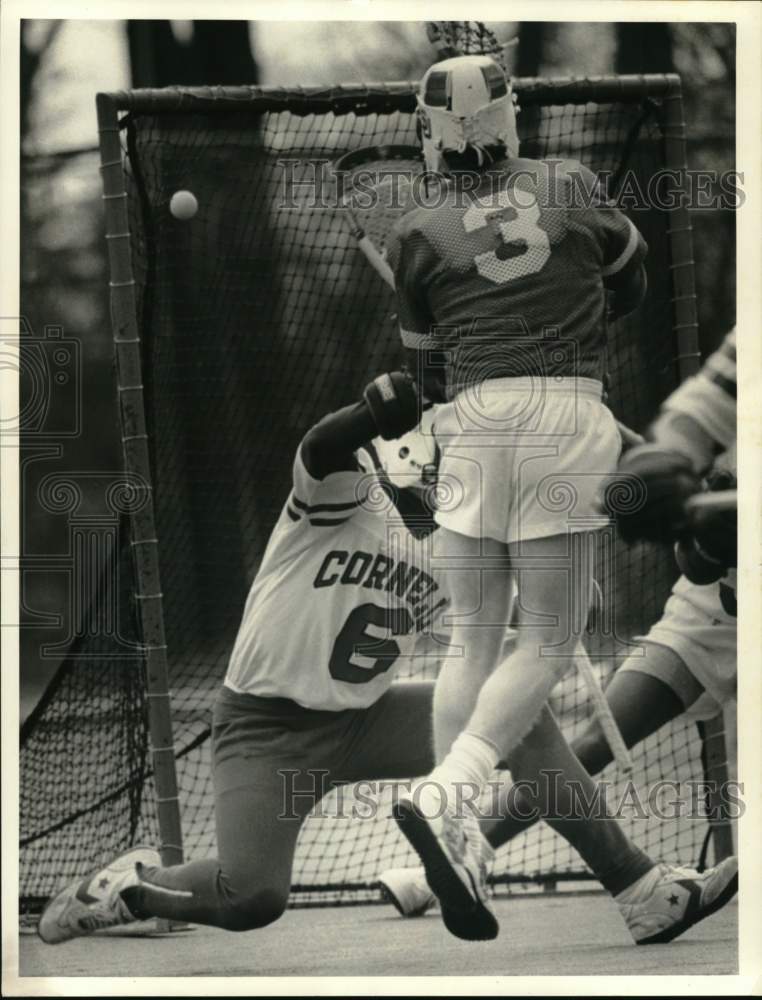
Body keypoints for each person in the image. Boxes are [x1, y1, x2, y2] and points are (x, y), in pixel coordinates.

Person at [37, 374, 736, 947]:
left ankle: (642, 891)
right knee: (251, 897)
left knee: (522, 723)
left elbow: (503, 634)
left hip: (365, 718)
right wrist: (370, 412)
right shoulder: (347, 495)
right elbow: (322, 445)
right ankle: (123, 892)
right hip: (265, 729)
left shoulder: (462, 547)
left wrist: (573, 567)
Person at [386, 52, 649, 932]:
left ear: (432, 131)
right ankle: (448, 792)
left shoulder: (417, 228)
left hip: (468, 420)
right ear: (508, 117)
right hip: (563, 414)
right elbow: (632, 282)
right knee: (548, 639)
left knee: (472, 638)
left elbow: (426, 372)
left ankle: (455, 831)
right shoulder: (570, 184)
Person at [381, 329, 738, 923]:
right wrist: (702, 530)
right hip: (710, 617)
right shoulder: (739, 376)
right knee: (595, 739)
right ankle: (444, 864)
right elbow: (695, 558)